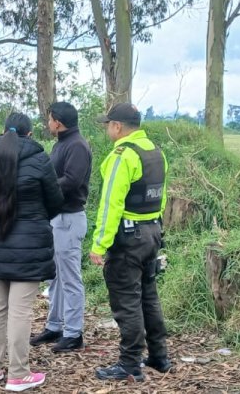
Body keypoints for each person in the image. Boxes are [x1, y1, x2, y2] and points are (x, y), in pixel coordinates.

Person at [0, 112, 64, 392]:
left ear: (3, 132)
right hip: (29, 244)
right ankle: (17, 374)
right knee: (20, 311)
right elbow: (55, 200)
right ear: (30, 134)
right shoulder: (39, 159)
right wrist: (36, 216)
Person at [90, 103, 171, 382]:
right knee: (148, 295)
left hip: (128, 237)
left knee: (127, 301)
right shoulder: (155, 151)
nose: (107, 130)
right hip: (152, 232)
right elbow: (160, 198)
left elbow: (110, 203)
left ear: (117, 126)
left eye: (107, 125)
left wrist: (100, 244)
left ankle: (129, 364)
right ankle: (159, 356)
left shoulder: (122, 156)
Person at [30, 102, 93, 353]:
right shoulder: (61, 144)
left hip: (69, 218)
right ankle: (55, 326)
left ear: (57, 121)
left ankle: (74, 333)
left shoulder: (77, 145)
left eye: (49, 119)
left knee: (70, 279)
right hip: (57, 218)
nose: (47, 124)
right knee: (54, 277)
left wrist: (45, 188)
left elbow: (73, 181)